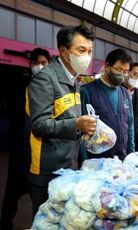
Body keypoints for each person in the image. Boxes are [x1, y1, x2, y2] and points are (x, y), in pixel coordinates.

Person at [26, 25, 97, 217]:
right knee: (46, 222)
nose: (87, 56)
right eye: (81, 50)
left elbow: (69, 118)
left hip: (68, 165)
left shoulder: (74, 79)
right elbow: (39, 125)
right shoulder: (45, 79)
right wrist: (76, 124)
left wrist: (86, 129)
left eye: (90, 51)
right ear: (64, 51)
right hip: (47, 169)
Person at [0, 48, 51, 229]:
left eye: (44, 63)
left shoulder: (51, 89)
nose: (39, 66)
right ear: (30, 65)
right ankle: (5, 224)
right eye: (36, 63)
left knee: (40, 196)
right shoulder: (20, 84)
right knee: (12, 192)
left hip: (41, 150)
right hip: (19, 147)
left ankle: (39, 225)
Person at [80, 48, 135, 160]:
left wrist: (131, 156)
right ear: (107, 66)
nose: (122, 75)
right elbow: (81, 132)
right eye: (119, 69)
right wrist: (84, 160)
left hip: (121, 158)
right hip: (96, 160)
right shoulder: (87, 91)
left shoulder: (125, 94)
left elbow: (130, 126)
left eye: (125, 72)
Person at [122, 63, 138, 152]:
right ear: (127, 72)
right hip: (121, 134)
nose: (137, 79)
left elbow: (137, 115)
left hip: (136, 134)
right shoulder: (117, 90)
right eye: (135, 75)